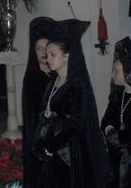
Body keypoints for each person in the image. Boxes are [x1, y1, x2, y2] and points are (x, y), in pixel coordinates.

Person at [32, 20, 111, 188]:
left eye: (53, 54)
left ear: (67, 55)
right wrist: (41, 140)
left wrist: (51, 144)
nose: (48, 59)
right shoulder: (52, 81)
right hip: (51, 150)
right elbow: (45, 113)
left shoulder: (77, 84)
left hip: (69, 152)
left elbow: (75, 123)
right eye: (47, 54)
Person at [22, 17, 56, 188]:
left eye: (46, 48)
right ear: (34, 52)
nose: (43, 53)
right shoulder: (33, 79)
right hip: (41, 143)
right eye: (39, 49)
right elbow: (34, 118)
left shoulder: (59, 76)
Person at [102, 37, 131, 188]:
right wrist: (110, 130)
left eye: (117, 70)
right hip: (114, 160)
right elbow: (106, 119)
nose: (113, 74)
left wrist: (123, 137)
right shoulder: (117, 95)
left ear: (128, 72)